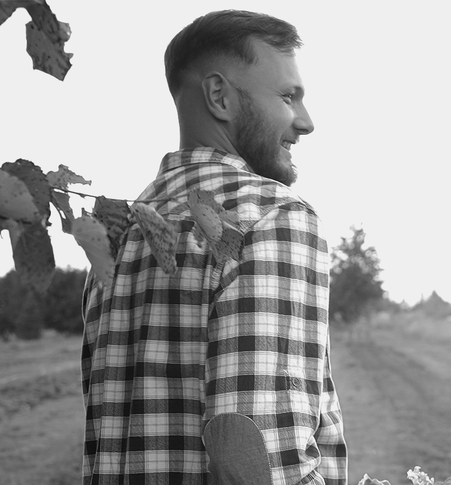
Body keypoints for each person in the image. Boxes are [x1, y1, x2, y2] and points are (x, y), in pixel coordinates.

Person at [81, 10, 346, 484]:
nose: (306, 122)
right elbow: (263, 465)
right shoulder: (274, 217)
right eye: (287, 97)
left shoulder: (116, 234)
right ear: (220, 96)